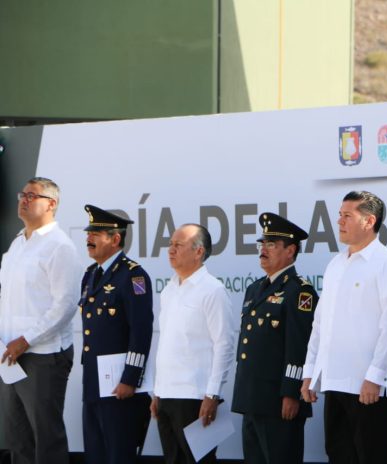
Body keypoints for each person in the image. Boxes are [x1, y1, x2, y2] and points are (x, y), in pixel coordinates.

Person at [301, 190, 387, 464]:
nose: (339, 221)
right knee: (338, 455)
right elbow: (320, 323)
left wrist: (376, 376)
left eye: (347, 216)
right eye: (340, 215)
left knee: (371, 456)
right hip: (334, 381)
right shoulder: (335, 264)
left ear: (369, 221)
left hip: (367, 387)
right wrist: (310, 371)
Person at [0, 177, 82, 464]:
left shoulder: (60, 246)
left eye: (32, 196)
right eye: (22, 194)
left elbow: (65, 305)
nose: (24, 200)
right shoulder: (17, 244)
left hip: (42, 356)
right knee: (17, 438)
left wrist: (26, 340)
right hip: (10, 356)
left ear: (51, 204)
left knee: (47, 438)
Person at [232, 212, 318, 464]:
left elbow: (299, 346)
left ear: (290, 250)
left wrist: (291, 393)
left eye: (271, 244)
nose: (263, 250)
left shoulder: (299, 291)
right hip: (252, 398)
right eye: (262, 244)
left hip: (278, 401)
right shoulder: (254, 288)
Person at [151, 224, 236, 464]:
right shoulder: (169, 289)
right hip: (166, 395)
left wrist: (212, 394)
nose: (171, 250)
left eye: (178, 245)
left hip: (195, 397)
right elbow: (167, 343)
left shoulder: (213, 290)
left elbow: (224, 344)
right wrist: (157, 392)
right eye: (170, 244)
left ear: (199, 252)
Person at [79, 204, 154, 464]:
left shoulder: (133, 276)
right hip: (93, 382)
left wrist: (130, 378)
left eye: (96, 234)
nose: (89, 238)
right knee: (95, 453)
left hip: (119, 385)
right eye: (88, 233)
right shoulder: (91, 274)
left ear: (115, 239)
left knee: (118, 453)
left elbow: (141, 330)